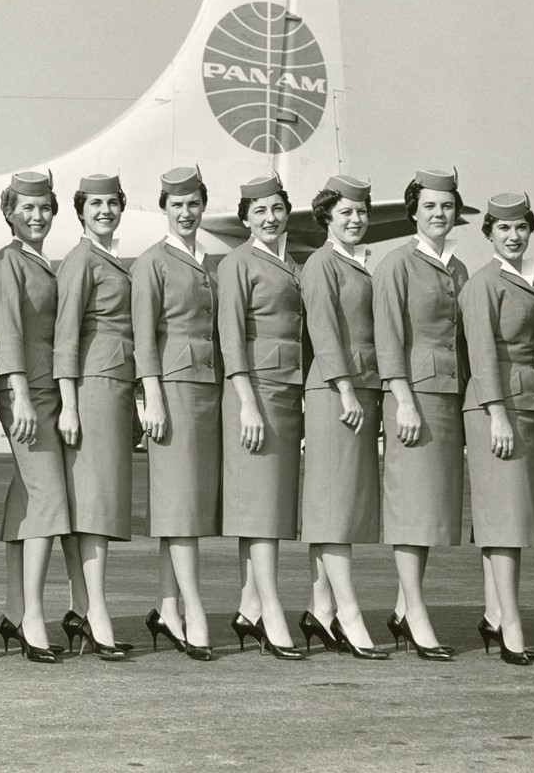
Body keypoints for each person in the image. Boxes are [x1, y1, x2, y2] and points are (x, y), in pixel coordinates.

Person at [372, 168, 467, 661]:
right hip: (414, 398)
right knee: (412, 508)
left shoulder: (459, 269)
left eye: (447, 206)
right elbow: (388, 337)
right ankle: (416, 613)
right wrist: (402, 398)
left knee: (429, 509)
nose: (438, 214)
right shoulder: (396, 264)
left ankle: (402, 608)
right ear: (413, 211)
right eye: (429, 206)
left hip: (449, 397)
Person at [132, 166, 220, 661]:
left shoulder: (207, 261)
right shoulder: (152, 262)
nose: (186, 213)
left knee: (180, 509)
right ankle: (194, 610)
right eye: (177, 205)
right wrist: (152, 397)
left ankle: (168, 609)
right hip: (173, 392)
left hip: (206, 391)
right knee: (181, 508)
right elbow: (144, 337)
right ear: (164, 209)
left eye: (193, 204)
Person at [460, 193, 534, 666]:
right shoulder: (483, 284)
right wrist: (496, 413)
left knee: (507, 517)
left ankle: (495, 615)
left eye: (521, 228)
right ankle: (510, 624)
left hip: (526, 409)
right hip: (496, 410)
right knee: (505, 520)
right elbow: (480, 354)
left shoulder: (526, 283)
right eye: (503, 229)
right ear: (489, 234)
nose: (513, 236)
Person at [299, 174, 387, 660]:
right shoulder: (322, 264)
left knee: (335, 507)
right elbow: (324, 331)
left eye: (361, 211)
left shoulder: (356, 263)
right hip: (338, 393)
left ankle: (321, 610)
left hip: (357, 390)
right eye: (346, 212)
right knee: (335, 509)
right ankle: (350, 616)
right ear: (327, 218)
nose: (356, 219)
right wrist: (347, 391)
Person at [218, 173, 305, 661]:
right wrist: (247, 402)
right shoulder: (237, 263)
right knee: (260, 509)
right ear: (245, 220)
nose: (270, 219)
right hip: (256, 395)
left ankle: (249, 608)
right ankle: (271, 610)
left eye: (276, 209)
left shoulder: (290, 264)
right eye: (259, 212)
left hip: (286, 393)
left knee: (268, 506)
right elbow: (231, 337)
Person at [0, 170, 69, 664]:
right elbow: (8, 333)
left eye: (44, 208)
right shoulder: (7, 263)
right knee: (48, 497)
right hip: (25, 390)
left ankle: (15, 608)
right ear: (9, 214)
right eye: (27, 209)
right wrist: (19, 395)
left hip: (45, 388)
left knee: (27, 496)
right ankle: (33, 617)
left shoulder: (40, 262)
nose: (37, 216)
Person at [55, 173, 135, 660]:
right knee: (94, 505)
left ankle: (81, 607)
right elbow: (66, 335)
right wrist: (69, 403)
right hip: (92, 389)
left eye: (112, 203)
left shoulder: (106, 258)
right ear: (81, 212)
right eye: (96, 204)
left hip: (113, 387)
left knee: (92, 504)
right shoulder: (81, 260)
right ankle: (96, 611)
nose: (105, 211)